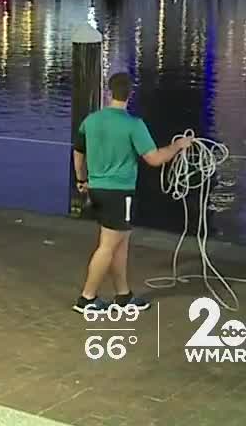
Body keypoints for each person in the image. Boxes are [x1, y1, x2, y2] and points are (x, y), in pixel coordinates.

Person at [72, 72, 192, 314]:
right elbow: (155, 159)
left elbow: (78, 151)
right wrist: (177, 147)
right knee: (107, 246)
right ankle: (87, 299)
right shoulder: (133, 125)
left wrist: (81, 178)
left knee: (120, 243)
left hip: (97, 189)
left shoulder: (91, 120)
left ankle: (123, 295)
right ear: (130, 94)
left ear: (109, 92)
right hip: (120, 192)